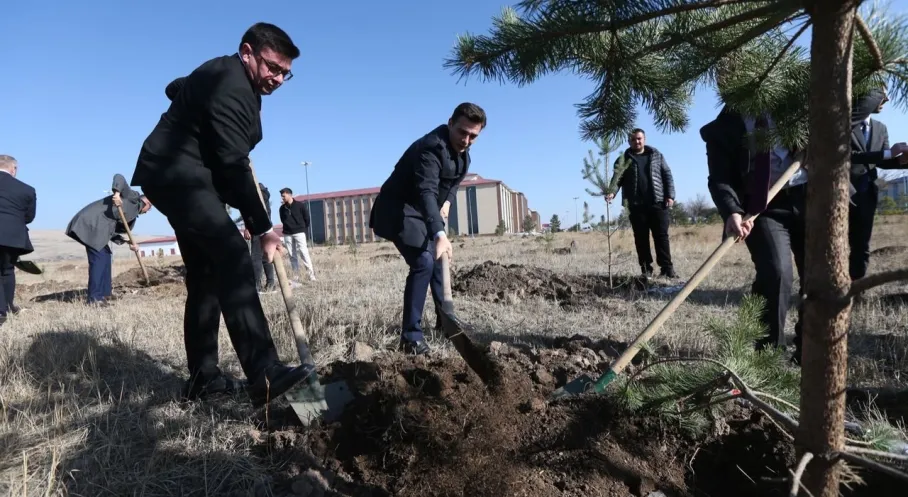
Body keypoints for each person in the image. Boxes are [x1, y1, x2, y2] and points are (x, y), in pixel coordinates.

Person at [129, 22, 313, 405]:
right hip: (178, 175)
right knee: (232, 255)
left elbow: (178, 87)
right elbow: (232, 164)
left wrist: (187, 95)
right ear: (247, 52)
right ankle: (265, 373)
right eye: (272, 67)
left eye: (285, 73)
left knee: (206, 275)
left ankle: (203, 379)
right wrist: (262, 227)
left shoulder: (225, 77)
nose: (278, 79)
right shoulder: (231, 85)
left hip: (180, 177)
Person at [700, 105, 908, 364]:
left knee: (819, 274)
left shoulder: (798, 104)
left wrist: (889, 155)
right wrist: (732, 210)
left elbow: (858, 117)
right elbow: (719, 177)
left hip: (812, 197)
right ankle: (769, 357)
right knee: (776, 272)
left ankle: (807, 352)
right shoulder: (724, 127)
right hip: (761, 207)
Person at [369, 102, 486, 354]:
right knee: (423, 261)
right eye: (462, 132)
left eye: (473, 136)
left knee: (438, 262)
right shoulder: (430, 148)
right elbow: (426, 190)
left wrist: (448, 202)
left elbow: (453, 184)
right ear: (450, 123)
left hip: (423, 211)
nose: (466, 140)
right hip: (398, 209)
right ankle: (411, 338)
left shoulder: (464, 155)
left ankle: (446, 324)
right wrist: (439, 233)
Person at [848, 86, 907, 280]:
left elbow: (881, 161)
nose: (886, 99)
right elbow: (849, 156)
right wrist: (889, 153)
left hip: (867, 194)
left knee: (862, 246)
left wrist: (902, 160)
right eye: (881, 94)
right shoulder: (844, 125)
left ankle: (856, 287)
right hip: (843, 192)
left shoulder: (881, 127)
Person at [65, 174, 151, 305]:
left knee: (105, 255)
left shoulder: (132, 216)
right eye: (149, 208)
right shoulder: (133, 197)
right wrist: (117, 194)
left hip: (99, 230)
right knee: (99, 258)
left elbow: (112, 231)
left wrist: (128, 242)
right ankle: (94, 298)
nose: (148, 212)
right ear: (147, 203)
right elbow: (119, 177)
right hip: (90, 224)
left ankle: (105, 293)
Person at [606, 128, 678, 278]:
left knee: (661, 237)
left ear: (644, 139)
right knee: (641, 239)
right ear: (629, 141)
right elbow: (617, 178)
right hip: (636, 206)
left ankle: (667, 269)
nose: (636, 141)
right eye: (633, 139)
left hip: (658, 203)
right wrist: (611, 192)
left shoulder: (656, 155)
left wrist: (670, 195)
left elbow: (667, 175)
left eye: (639, 138)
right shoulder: (623, 159)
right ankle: (646, 270)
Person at [0, 155, 36, 326]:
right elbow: (29, 217)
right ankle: (7, 307)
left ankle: (1, 311)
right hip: (13, 236)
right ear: (13, 169)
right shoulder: (27, 189)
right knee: (7, 270)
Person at [244, 182, 277, 293]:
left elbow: (250, 213)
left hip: (258, 228)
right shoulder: (264, 195)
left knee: (256, 257)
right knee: (265, 257)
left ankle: (257, 286)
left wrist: (248, 227)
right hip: (266, 227)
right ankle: (270, 284)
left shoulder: (256, 195)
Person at [278, 187, 316, 281]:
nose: (282, 198)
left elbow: (307, 218)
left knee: (304, 253)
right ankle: (296, 276)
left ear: (289, 194)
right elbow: (282, 220)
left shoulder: (300, 205)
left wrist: (302, 228)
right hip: (287, 234)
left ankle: (311, 275)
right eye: (281, 196)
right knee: (292, 255)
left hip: (299, 232)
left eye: (283, 196)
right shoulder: (282, 208)